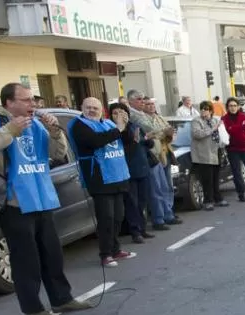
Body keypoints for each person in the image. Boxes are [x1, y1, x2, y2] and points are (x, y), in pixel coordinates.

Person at [0, 82, 93, 315]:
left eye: (32, 100)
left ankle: (62, 298)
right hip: (15, 202)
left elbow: (57, 153)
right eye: (26, 100)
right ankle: (33, 308)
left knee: (52, 254)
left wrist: (55, 131)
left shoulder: (36, 123)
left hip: (42, 197)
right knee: (26, 259)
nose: (32, 104)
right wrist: (9, 131)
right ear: (9, 103)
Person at [68, 97, 135, 268]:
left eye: (95, 107)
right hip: (99, 178)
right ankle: (105, 254)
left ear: (101, 109)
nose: (92, 110)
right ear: (82, 108)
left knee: (119, 216)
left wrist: (125, 125)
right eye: (88, 107)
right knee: (106, 218)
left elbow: (126, 141)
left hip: (118, 176)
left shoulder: (108, 123)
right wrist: (118, 128)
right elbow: (94, 141)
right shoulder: (79, 125)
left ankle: (115, 249)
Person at [110, 102, 153, 244]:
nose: (120, 116)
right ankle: (135, 231)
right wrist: (126, 131)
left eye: (122, 112)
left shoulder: (134, 126)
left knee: (142, 201)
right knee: (132, 203)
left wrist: (148, 139)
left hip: (142, 168)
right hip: (128, 171)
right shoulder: (114, 130)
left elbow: (148, 144)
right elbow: (127, 146)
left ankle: (142, 228)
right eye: (115, 113)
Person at [138, 95, 182, 230]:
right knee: (156, 188)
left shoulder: (159, 117)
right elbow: (152, 133)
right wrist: (164, 132)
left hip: (165, 154)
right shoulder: (142, 119)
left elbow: (169, 131)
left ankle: (168, 213)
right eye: (148, 104)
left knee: (167, 186)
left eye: (152, 104)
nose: (151, 106)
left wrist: (167, 133)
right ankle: (159, 218)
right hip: (154, 156)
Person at [190, 100, 229, 210]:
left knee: (216, 177)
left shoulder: (215, 119)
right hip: (203, 154)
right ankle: (208, 200)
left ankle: (218, 197)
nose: (203, 111)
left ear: (211, 111)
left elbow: (221, 132)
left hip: (216, 151)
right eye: (202, 109)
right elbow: (197, 134)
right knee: (207, 178)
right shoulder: (196, 121)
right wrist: (212, 129)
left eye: (206, 109)